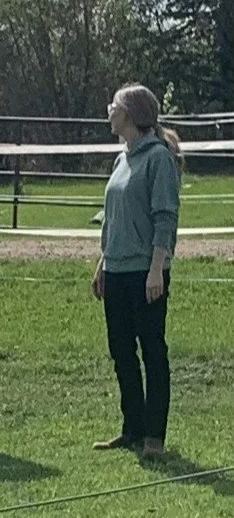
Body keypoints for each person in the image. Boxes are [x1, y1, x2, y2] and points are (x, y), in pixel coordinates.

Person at [91, 84, 182, 458]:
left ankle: (154, 437)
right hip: (116, 270)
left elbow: (165, 217)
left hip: (146, 271)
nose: (109, 112)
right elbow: (112, 219)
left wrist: (157, 269)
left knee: (152, 351)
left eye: (113, 106)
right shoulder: (121, 159)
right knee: (122, 351)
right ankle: (132, 428)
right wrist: (103, 263)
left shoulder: (158, 158)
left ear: (129, 114)